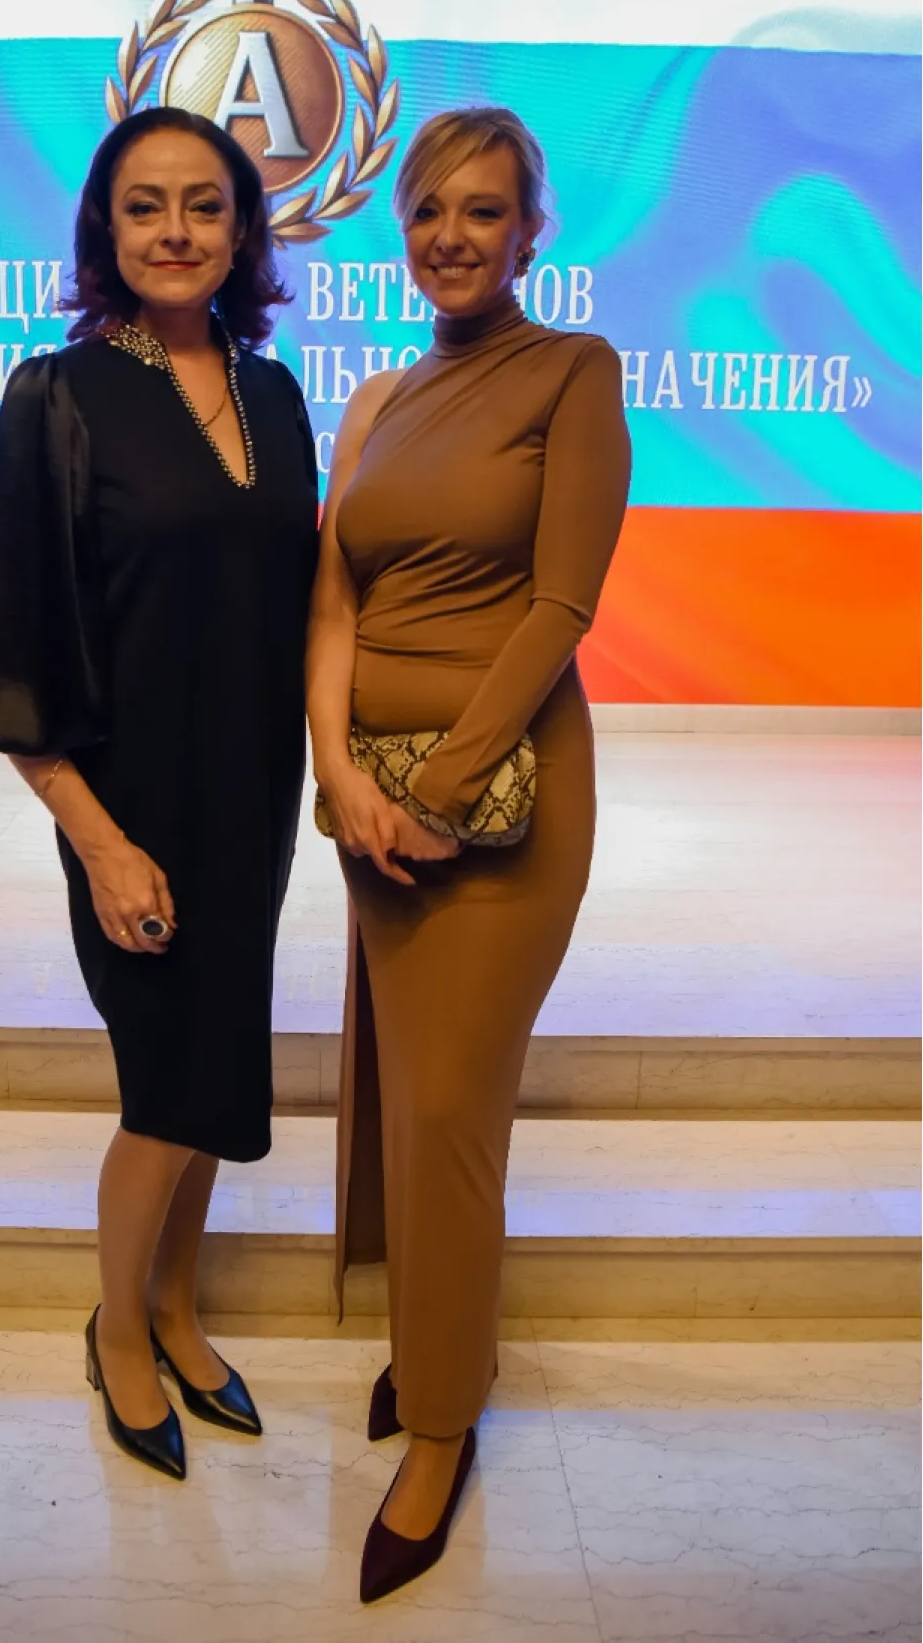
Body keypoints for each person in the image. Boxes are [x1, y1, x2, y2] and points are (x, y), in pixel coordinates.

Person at [0, 107, 319, 1481]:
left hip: (251, 792)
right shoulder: (59, 396)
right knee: (162, 1084)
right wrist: (99, 844)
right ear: (105, 226)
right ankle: (118, 1328)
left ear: (243, 228)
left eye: (204, 204)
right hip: (132, 802)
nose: (176, 231)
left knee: (212, 1071)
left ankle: (180, 1308)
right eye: (145, 205)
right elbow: (15, 651)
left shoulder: (276, 394)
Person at [307, 106, 631, 1602]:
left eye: (483, 211)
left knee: (448, 1107)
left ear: (530, 233)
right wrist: (340, 778)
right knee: (410, 1094)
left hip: (505, 800)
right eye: (430, 209)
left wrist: (439, 785)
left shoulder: (575, 372)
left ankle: (439, 1426)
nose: (451, 235)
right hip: (372, 804)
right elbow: (335, 601)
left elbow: (563, 604)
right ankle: (442, 1345)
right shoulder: (377, 397)